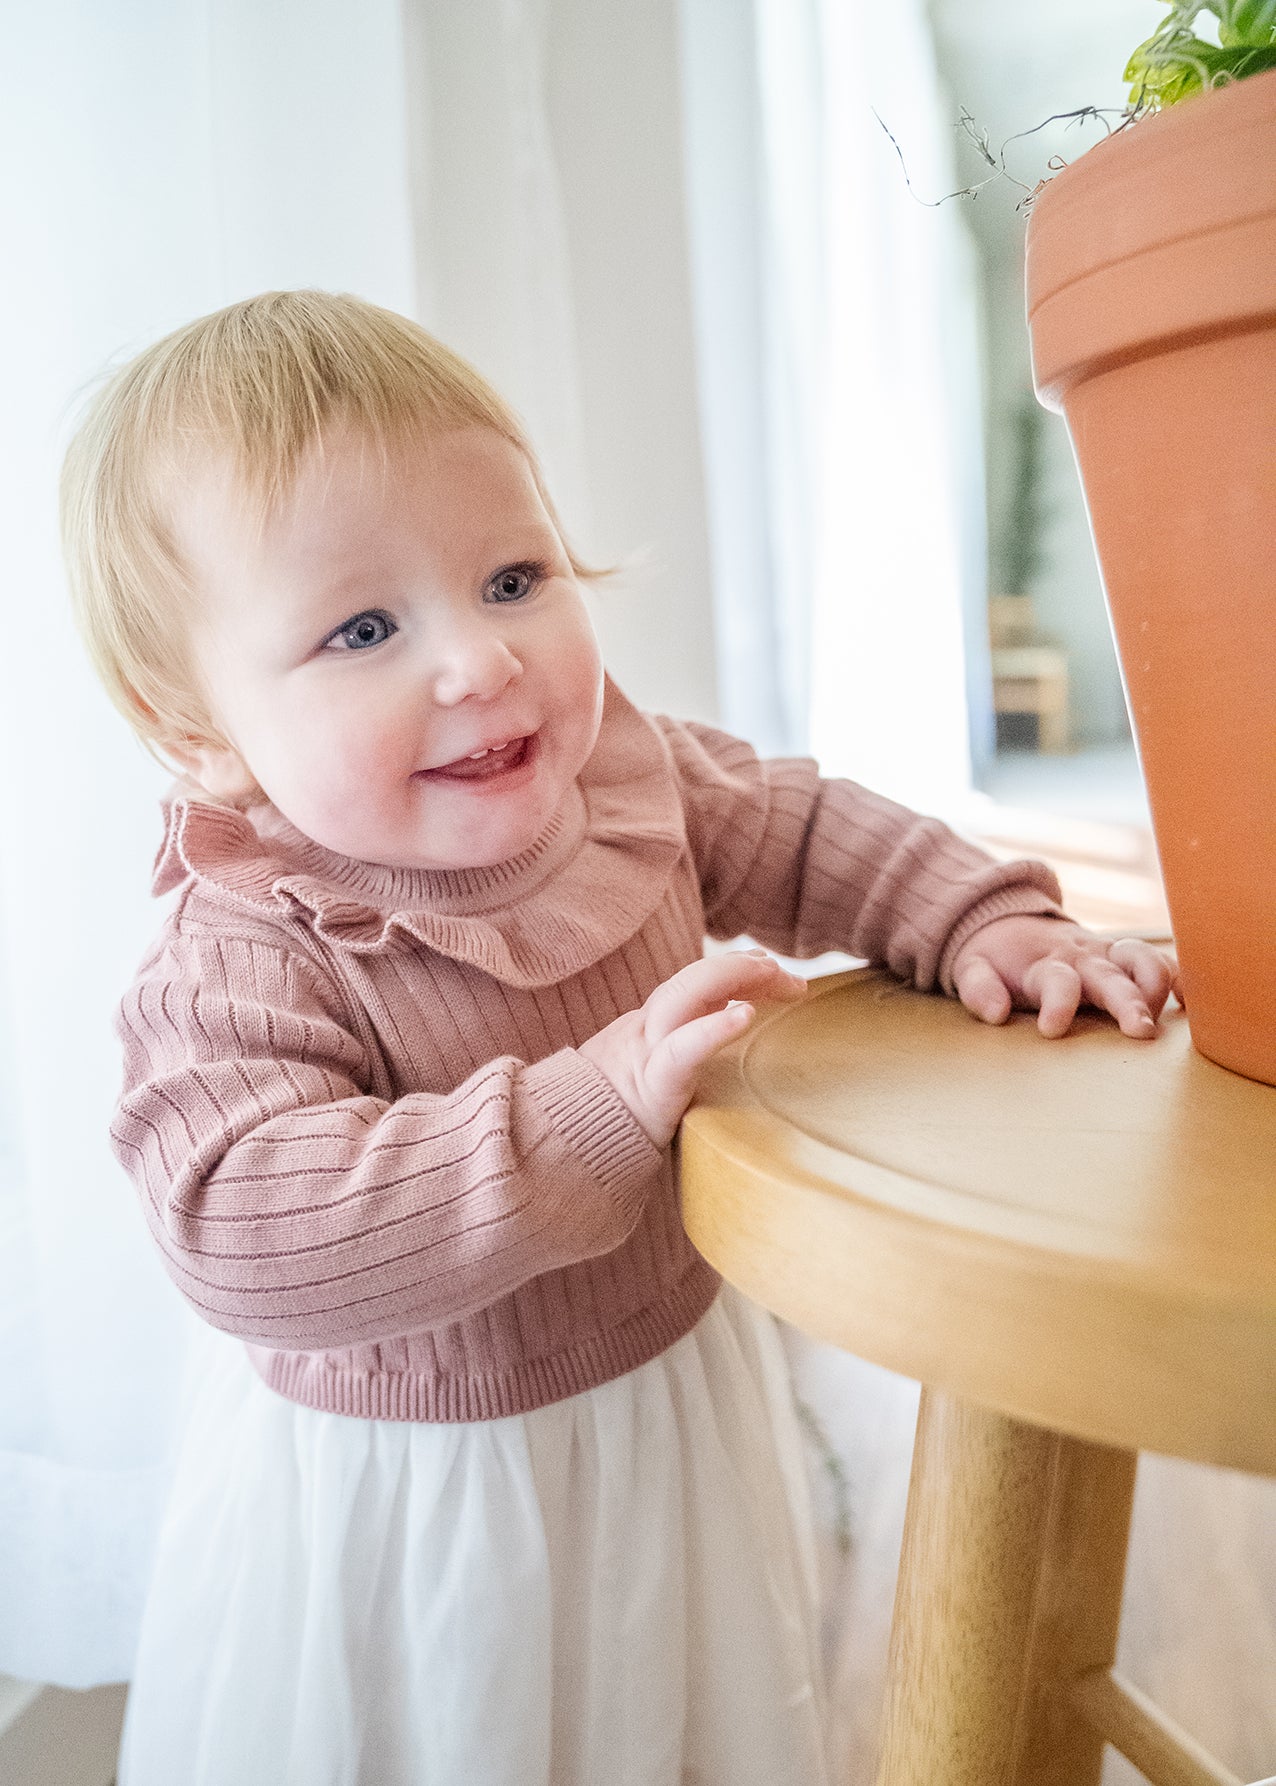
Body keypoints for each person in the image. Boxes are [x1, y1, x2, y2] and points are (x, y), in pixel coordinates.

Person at [62, 290, 1178, 1786]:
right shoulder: (251, 940)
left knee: (683, 1718)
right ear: (195, 728)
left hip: (668, 1407)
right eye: (365, 628)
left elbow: (805, 830)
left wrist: (978, 916)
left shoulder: (625, 789)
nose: (480, 660)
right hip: (424, 1503)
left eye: (513, 576)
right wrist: (573, 1115)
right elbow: (235, 1223)